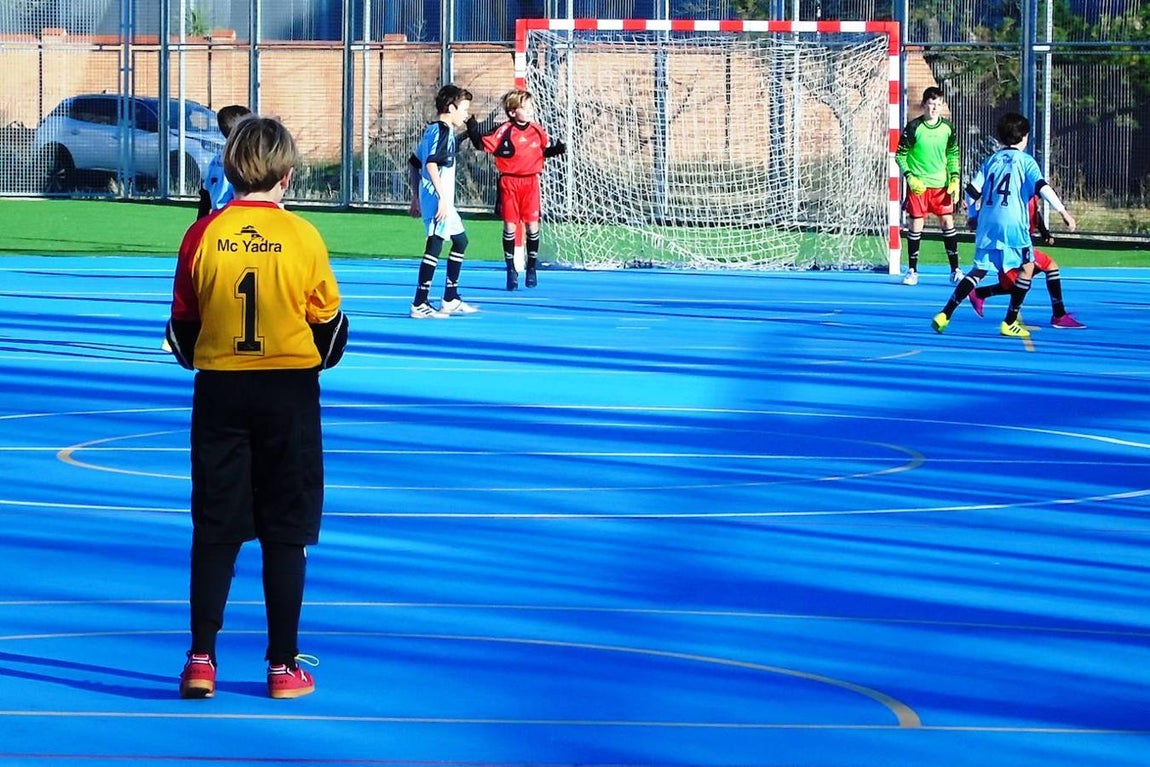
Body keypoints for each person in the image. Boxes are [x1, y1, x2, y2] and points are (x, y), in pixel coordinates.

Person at [166, 116, 349, 700]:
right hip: (287, 392)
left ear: (229, 168)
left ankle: (200, 658)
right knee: (285, 529)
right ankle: (282, 665)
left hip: (220, 391)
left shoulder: (203, 234)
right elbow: (331, 326)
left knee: (215, 526)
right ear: (287, 176)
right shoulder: (302, 236)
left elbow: (182, 329)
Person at [931, 112, 1076, 338]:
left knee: (978, 270)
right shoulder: (1027, 162)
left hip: (987, 224)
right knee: (1027, 268)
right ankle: (1009, 321)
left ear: (1000, 137)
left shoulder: (992, 160)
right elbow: (1042, 187)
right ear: (1025, 137)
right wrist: (1063, 212)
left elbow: (970, 191)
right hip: (1013, 225)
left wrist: (972, 214)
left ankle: (945, 314)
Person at [473, 89, 566, 290]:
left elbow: (541, 152)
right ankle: (511, 269)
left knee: (533, 226)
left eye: (530, 106)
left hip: (531, 183)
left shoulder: (537, 130)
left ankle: (531, 267)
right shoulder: (504, 130)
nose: (530, 111)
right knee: (510, 227)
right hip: (509, 183)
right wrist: (472, 129)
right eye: (525, 107)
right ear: (513, 111)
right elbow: (483, 144)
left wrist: (556, 150)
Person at [409, 84, 479, 318]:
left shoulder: (436, 131)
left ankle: (450, 298)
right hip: (438, 198)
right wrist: (439, 198)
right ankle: (420, 302)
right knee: (435, 243)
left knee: (460, 241)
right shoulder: (441, 131)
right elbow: (429, 164)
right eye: (464, 109)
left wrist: (414, 198)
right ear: (451, 107)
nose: (466, 114)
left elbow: (414, 162)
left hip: (437, 198)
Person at [966, 195, 1086, 329]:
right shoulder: (1021, 192)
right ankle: (1058, 315)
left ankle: (980, 294)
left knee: (1019, 284)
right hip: (1013, 246)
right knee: (1044, 270)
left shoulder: (1027, 193)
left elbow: (1034, 213)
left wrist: (1044, 232)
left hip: (1016, 245)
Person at [895, 87, 962, 286]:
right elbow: (900, 155)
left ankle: (955, 270)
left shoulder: (948, 128)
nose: (934, 108)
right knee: (916, 225)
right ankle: (912, 270)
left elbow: (952, 155)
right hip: (919, 186)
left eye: (938, 104)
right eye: (931, 104)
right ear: (924, 104)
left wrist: (955, 178)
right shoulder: (913, 127)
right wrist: (910, 177)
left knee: (947, 224)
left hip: (941, 186)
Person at [197, 104, 253, 219]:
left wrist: (200, 222)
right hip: (236, 217)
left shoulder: (217, 159)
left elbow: (205, 194)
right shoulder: (245, 160)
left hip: (216, 217)